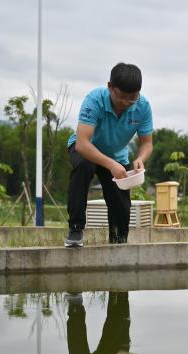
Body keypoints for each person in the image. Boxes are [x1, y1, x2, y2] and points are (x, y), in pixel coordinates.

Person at [65, 63, 153, 247]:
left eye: (132, 97)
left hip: (117, 156)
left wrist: (140, 159)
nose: (126, 102)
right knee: (84, 167)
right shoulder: (94, 100)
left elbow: (146, 143)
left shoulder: (143, 107)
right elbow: (82, 143)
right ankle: (75, 228)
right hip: (86, 149)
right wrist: (110, 165)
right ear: (110, 87)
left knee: (120, 201)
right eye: (122, 97)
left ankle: (119, 240)